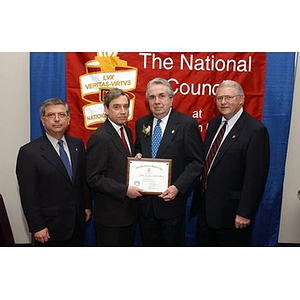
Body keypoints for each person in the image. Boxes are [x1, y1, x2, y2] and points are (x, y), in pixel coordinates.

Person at [191, 80, 270, 246]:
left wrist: (244, 213)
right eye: (219, 98)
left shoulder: (255, 131)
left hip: (232, 215)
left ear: (241, 99)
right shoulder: (213, 124)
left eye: (228, 97)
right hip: (206, 209)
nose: (223, 102)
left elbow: (255, 177)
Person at [135, 77, 204, 246]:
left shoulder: (187, 124)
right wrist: (137, 156)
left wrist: (177, 187)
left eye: (161, 96)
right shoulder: (141, 123)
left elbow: (196, 162)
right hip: (146, 206)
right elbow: (138, 148)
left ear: (171, 99)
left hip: (171, 204)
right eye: (152, 97)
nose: (157, 101)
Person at [16, 98, 92, 246]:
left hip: (77, 223)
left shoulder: (77, 144)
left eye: (62, 115)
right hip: (49, 228)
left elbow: (81, 180)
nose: (57, 119)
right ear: (42, 121)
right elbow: (28, 195)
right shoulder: (29, 152)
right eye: (51, 115)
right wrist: (37, 226)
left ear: (68, 119)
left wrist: (86, 205)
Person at [86, 88, 144, 246]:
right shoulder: (100, 136)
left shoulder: (126, 130)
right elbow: (93, 177)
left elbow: (119, 161)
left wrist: (135, 160)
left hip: (129, 214)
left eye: (126, 106)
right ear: (106, 109)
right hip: (110, 217)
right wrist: (124, 190)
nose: (123, 111)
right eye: (117, 107)